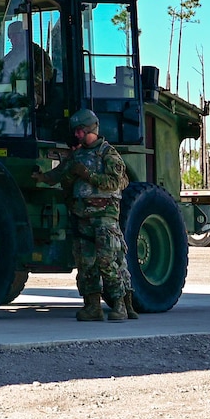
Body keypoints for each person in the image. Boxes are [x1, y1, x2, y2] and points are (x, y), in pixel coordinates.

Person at [35, 108, 135, 322]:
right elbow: (59, 173)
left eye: (80, 130)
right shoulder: (77, 155)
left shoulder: (109, 154)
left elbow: (114, 183)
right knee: (85, 263)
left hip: (104, 217)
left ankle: (120, 305)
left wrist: (87, 174)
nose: (77, 135)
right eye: (76, 131)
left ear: (90, 128)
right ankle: (92, 306)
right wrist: (42, 177)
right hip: (82, 217)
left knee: (107, 261)